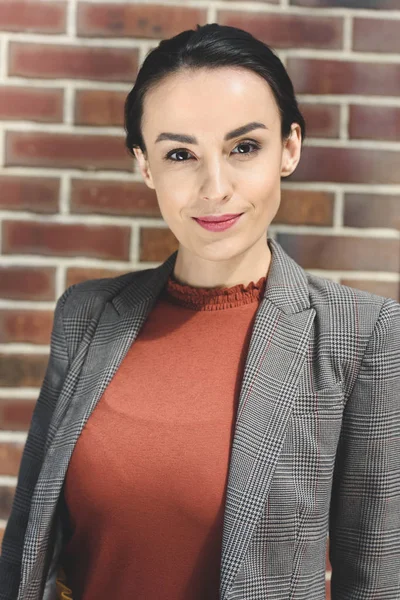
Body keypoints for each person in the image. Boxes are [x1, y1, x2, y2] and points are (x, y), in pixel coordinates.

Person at [0, 22, 399, 600]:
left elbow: (377, 580)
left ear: (289, 148)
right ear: (145, 165)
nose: (215, 187)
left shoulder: (360, 335)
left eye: (244, 148)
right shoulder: (86, 316)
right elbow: (28, 550)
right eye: (181, 154)